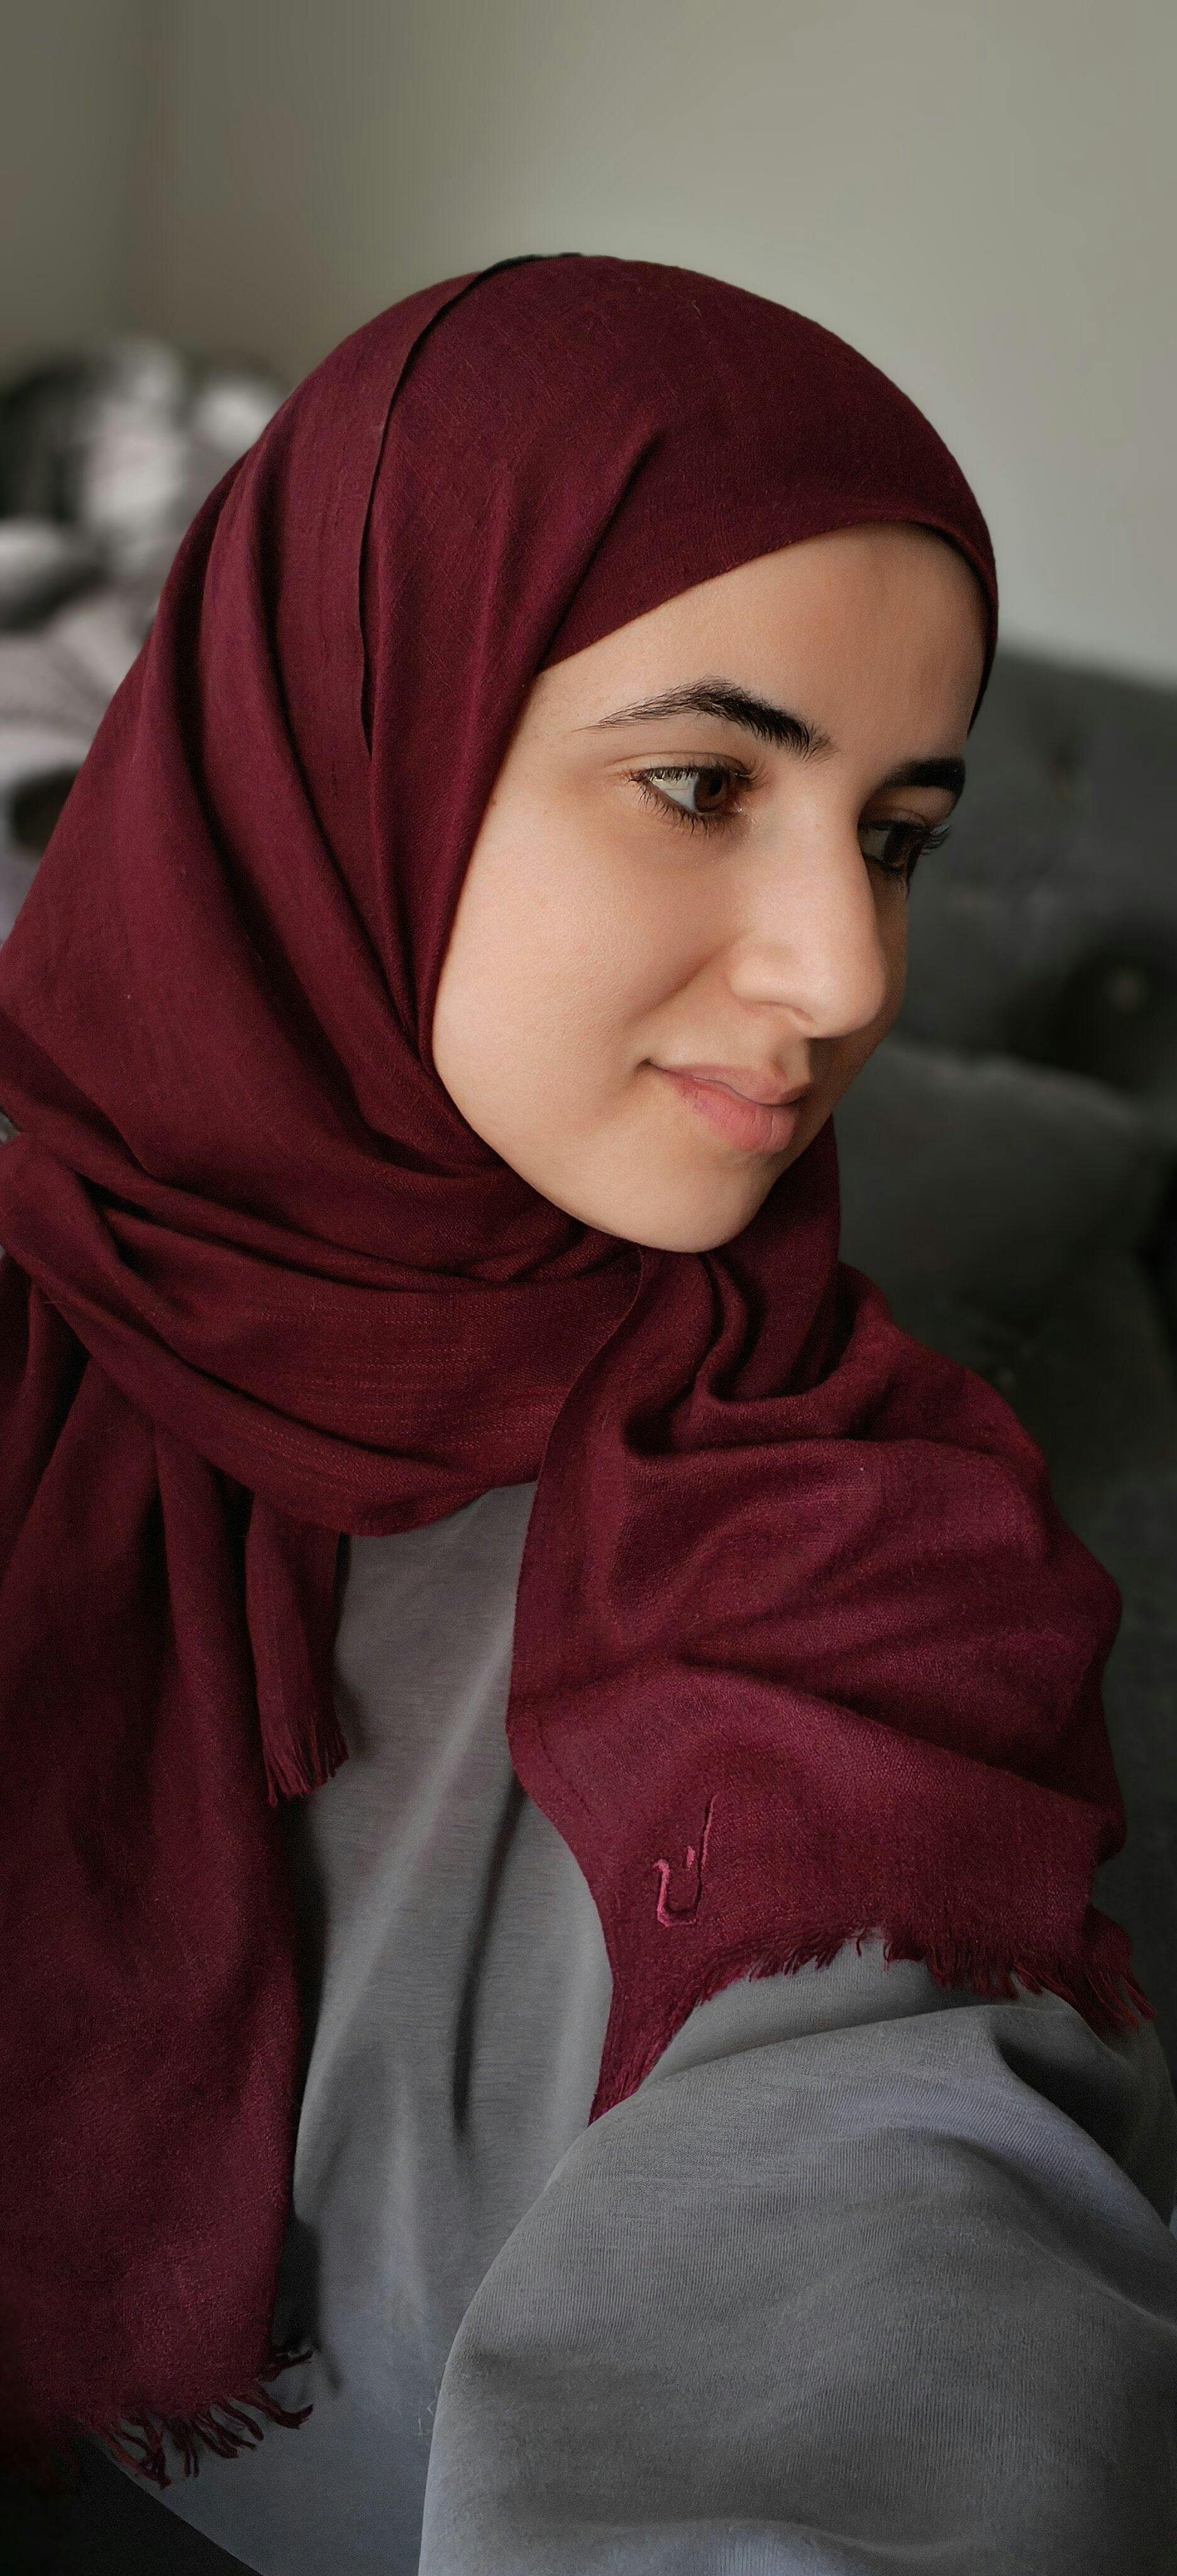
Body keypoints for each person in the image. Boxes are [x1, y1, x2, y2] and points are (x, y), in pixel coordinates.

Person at [1, 253, 1175, 2576]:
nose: (845, 971)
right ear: (354, 741)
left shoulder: (840, 1541)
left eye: (899, 832)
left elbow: (884, 2216)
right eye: (703, 783)